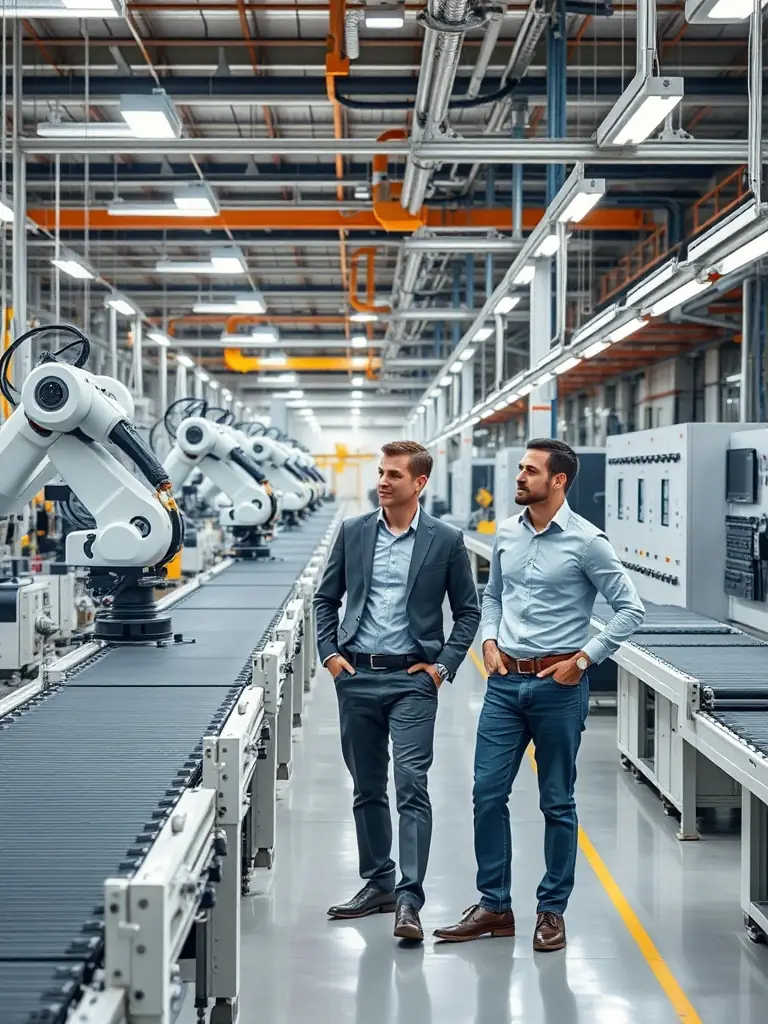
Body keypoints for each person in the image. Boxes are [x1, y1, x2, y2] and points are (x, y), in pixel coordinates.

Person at [434, 438, 644, 952]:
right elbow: (493, 596)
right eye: (521, 469)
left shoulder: (588, 542)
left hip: (558, 688)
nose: (520, 477)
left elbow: (630, 609)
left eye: (530, 470)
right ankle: (494, 906)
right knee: (487, 794)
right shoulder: (507, 532)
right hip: (505, 684)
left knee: (557, 802)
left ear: (558, 480)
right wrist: (488, 641)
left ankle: (552, 911)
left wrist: (583, 660)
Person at [314, 440, 480, 943]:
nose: (382, 482)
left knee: (411, 784)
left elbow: (468, 612)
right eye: (381, 473)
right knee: (367, 786)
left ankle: (410, 899)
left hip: (413, 680)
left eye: (394, 475)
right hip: (356, 676)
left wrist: (442, 668)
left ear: (419, 482)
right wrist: (331, 655)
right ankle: (378, 884)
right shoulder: (354, 531)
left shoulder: (445, 541)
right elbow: (326, 598)